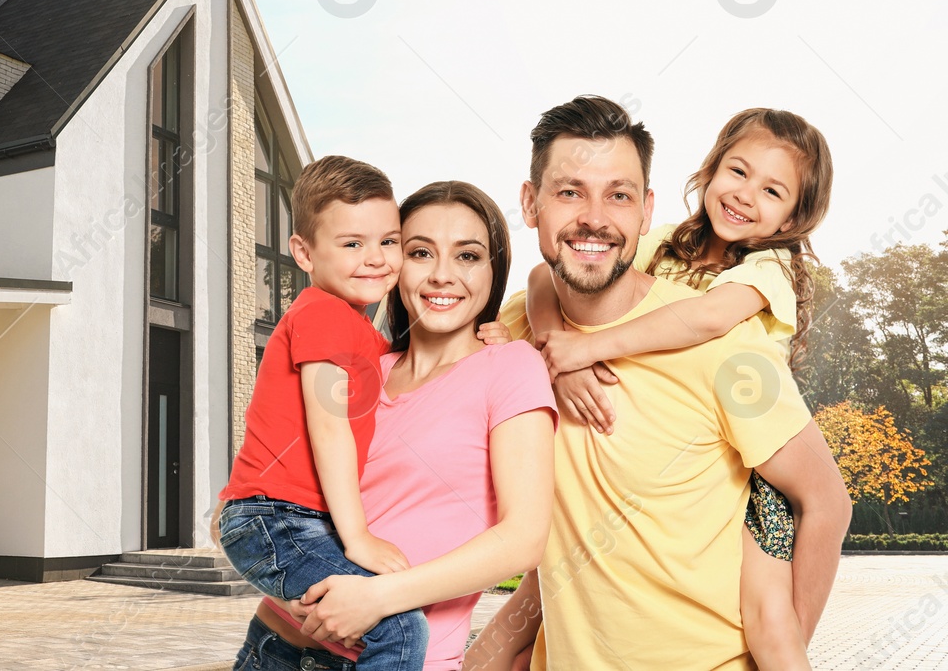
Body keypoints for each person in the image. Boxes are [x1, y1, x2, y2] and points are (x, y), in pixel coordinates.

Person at [474, 95, 849, 670]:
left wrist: (587, 349)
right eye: (738, 172)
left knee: (772, 623)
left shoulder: (753, 292)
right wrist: (556, 351)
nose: (747, 196)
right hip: (580, 580)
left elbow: (705, 319)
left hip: (758, 477)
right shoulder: (658, 247)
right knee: (539, 588)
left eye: (773, 191)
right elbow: (552, 271)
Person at [226, 181, 557, 670]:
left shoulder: (511, 366)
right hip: (273, 645)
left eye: (467, 256)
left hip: (394, 656)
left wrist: (379, 599)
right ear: (395, 263)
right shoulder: (359, 368)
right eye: (421, 252)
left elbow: (524, 538)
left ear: (494, 270)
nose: (443, 275)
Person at [216, 155, 429, 670]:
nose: (376, 258)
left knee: (337, 633)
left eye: (388, 241)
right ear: (304, 253)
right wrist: (357, 539)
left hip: (283, 519)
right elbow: (329, 426)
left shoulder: (366, 336)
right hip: (278, 518)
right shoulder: (322, 313)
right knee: (400, 625)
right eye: (352, 244)